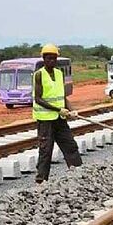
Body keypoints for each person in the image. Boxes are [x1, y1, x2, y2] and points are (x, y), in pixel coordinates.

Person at [32, 44, 82, 184]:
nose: (52, 61)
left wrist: (71, 109)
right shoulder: (39, 75)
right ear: (44, 59)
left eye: (54, 58)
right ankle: (41, 181)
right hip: (45, 120)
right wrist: (58, 110)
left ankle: (78, 172)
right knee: (46, 150)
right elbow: (38, 99)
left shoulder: (60, 74)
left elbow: (62, 97)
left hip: (59, 119)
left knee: (70, 145)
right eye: (49, 58)